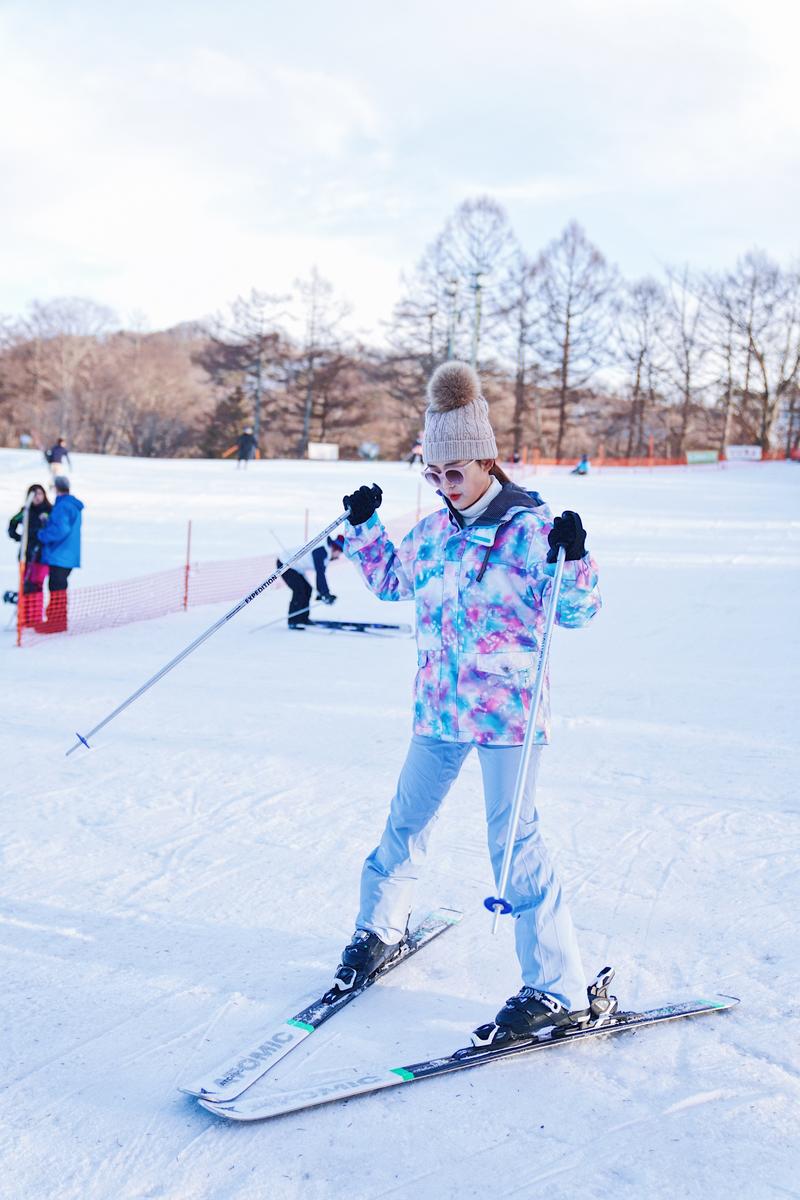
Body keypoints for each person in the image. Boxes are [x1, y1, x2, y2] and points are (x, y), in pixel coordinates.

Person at [330, 361, 607, 1042]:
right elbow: (394, 584)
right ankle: (378, 930)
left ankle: (556, 986)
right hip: (439, 708)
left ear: (485, 460)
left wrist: (575, 559)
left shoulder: (530, 529)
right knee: (405, 823)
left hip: (508, 712)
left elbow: (579, 609)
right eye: (432, 474)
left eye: (452, 473)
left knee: (514, 843)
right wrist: (364, 528)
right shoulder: (431, 533)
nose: (443, 486)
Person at [35, 476, 83, 633]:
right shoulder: (72, 505)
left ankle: (56, 622)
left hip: (60, 555)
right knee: (59, 588)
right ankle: (57, 620)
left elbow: (61, 529)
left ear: (57, 488)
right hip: (68, 555)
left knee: (56, 588)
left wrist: (42, 534)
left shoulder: (62, 506)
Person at [7, 483, 52, 626]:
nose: (37, 497)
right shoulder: (26, 511)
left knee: (37, 585)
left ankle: (36, 618)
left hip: (42, 555)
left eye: (40, 494)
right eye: (34, 494)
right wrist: (18, 537)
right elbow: (13, 522)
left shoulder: (49, 511)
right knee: (26, 585)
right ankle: (25, 617)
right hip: (25, 555)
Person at [277, 534, 343, 628]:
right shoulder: (322, 551)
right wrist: (325, 594)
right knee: (299, 590)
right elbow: (320, 574)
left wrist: (322, 593)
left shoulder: (326, 552)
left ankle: (303, 619)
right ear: (336, 549)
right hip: (285, 564)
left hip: (296, 568)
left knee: (307, 589)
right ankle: (293, 621)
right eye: (340, 553)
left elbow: (320, 575)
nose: (339, 556)